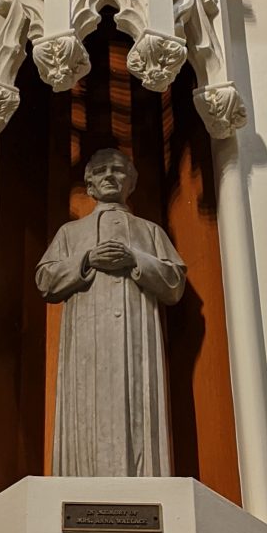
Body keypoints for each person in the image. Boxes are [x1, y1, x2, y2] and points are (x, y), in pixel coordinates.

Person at [35, 149, 186, 476]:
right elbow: (45, 280)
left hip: (136, 338)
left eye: (118, 170)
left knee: (136, 407)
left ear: (131, 182)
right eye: (101, 171)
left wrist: (135, 260)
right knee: (88, 411)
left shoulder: (150, 232)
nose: (109, 176)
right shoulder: (70, 234)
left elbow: (174, 282)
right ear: (88, 184)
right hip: (86, 342)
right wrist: (87, 260)